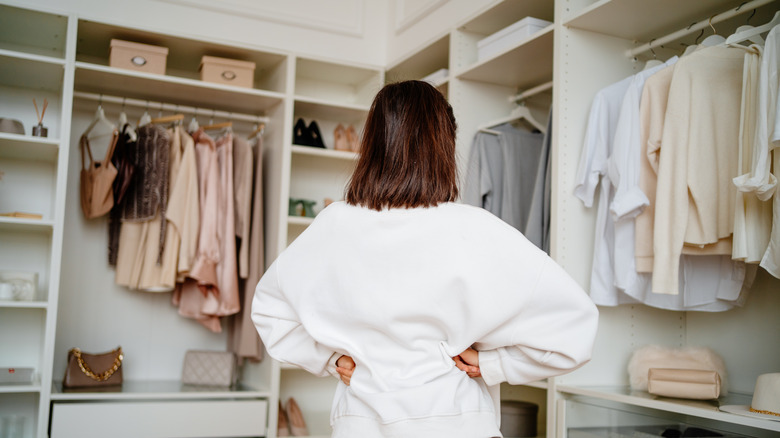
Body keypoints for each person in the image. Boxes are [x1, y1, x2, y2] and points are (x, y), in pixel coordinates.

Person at [252, 80, 599, 437]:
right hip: (459, 423)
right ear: (444, 145)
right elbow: (575, 331)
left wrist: (330, 359)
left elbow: (268, 312)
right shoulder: (478, 230)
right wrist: (494, 364)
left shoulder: (332, 225)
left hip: (360, 424)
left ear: (372, 143)